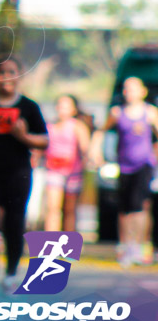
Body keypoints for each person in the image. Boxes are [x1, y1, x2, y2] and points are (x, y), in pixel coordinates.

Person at [0, 58, 49, 291]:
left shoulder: (29, 107)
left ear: (19, 75)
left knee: (14, 222)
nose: (6, 76)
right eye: (1, 72)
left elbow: (44, 140)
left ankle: (12, 271)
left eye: (11, 72)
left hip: (18, 172)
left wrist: (24, 137)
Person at [90, 76, 158, 267]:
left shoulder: (150, 112)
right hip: (124, 165)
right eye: (126, 89)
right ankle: (126, 246)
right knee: (125, 208)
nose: (129, 92)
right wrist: (95, 150)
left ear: (143, 91)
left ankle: (140, 246)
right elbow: (101, 131)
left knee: (140, 206)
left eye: (134, 88)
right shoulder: (117, 113)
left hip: (144, 164)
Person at [43, 95, 91, 233]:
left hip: (73, 173)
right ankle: (50, 241)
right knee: (53, 207)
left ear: (74, 109)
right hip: (53, 170)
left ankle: (69, 244)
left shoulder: (78, 126)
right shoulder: (50, 126)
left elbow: (85, 148)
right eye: (60, 105)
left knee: (70, 210)